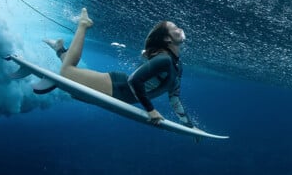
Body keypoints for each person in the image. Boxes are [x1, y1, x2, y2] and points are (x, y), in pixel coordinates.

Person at [43, 8, 195, 128]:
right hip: (117, 87)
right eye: (174, 27)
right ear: (167, 39)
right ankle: (83, 24)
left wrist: (188, 124)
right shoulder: (165, 60)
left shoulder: (177, 65)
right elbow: (135, 80)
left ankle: (60, 49)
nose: (179, 28)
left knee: (72, 89)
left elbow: (174, 97)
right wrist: (151, 110)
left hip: (119, 91)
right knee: (66, 73)